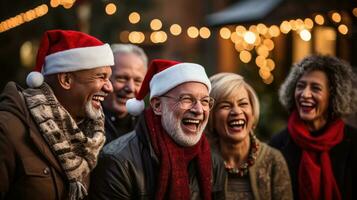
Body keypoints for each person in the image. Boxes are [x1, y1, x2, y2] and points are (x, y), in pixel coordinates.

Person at [0, 30, 114, 200]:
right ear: (66, 80)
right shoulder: (8, 128)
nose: (109, 87)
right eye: (101, 77)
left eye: (109, 78)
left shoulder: (91, 133)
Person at [90, 59, 214, 199]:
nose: (199, 110)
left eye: (205, 101)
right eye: (186, 99)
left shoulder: (212, 160)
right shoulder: (117, 162)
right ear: (157, 106)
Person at [269, 55, 357, 200]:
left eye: (315, 88)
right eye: (300, 86)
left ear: (333, 96)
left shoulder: (353, 141)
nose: (305, 94)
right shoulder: (277, 144)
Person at [206, 72, 293, 200]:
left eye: (243, 104)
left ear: (253, 112)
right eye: (225, 105)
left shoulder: (273, 160)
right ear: (211, 116)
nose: (236, 111)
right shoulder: (202, 161)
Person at [102, 44, 148, 144]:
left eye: (137, 81)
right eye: (122, 78)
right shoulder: (80, 123)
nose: (130, 88)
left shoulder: (150, 127)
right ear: (104, 78)